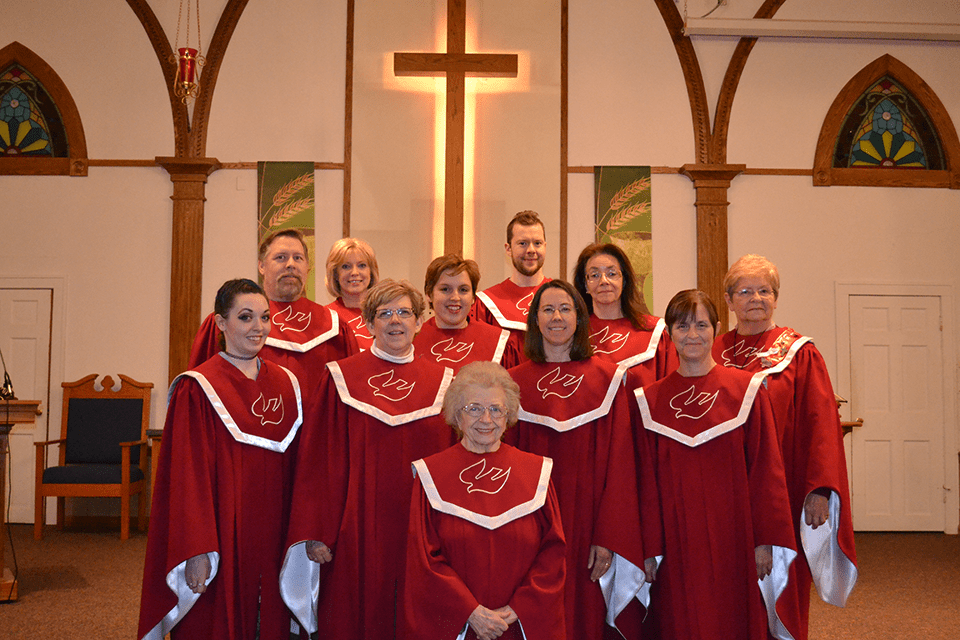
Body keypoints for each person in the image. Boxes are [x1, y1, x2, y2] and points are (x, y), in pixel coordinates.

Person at [280, 279, 457, 640]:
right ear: (369, 323)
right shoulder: (341, 380)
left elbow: (453, 465)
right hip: (355, 525)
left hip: (422, 527)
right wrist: (316, 531)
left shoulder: (444, 383)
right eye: (384, 313)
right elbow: (319, 462)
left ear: (419, 321)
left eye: (404, 312)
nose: (395, 321)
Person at [138, 279, 305, 640]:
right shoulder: (197, 388)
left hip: (275, 532)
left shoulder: (287, 384)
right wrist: (195, 549)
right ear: (221, 323)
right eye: (245, 317)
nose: (257, 327)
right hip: (221, 535)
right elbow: (187, 477)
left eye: (264, 317)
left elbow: (302, 470)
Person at [633, 289, 796, 640]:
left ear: (716, 329)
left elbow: (766, 470)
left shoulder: (746, 390)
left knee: (734, 616)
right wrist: (648, 547)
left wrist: (765, 539)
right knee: (680, 618)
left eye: (701, 325)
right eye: (682, 326)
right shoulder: (650, 401)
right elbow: (643, 482)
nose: (692, 335)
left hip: (735, 534)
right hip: (675, 537)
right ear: (669, 333)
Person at [714, 254, 858, 640]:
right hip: (724, 489)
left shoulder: (799, 353)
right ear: (729, 301)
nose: (756, 298)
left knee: (779, 577)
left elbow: (821, 422)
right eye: (745, 291)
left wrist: (819, 489)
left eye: (765, 290)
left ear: (776, 298)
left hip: (783, 486)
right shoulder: (713, 352)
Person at [507, 280, 658, 640]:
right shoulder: (513, 385)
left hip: (590, 524)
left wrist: (608, 535)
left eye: (565, 309)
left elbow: (621, 464)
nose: (557, 317)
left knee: (585, 616)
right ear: (535, 320)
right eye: (547, 310)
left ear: (579, 318)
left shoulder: (609, 379)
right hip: (531, 523)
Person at [400, 361, 566, 640]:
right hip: (458, 625)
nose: (486, 420)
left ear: (508, 415)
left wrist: (518, 609)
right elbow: (424, 560)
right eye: (474, 409)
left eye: (496, 410)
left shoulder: (537, 473)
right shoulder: (431, 475)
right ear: (456, 415)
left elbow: (552, 552)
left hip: (516, 624)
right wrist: (470, 612)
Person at [188, 228, 358, 393]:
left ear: (308, 267)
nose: (290, 264)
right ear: (261, 266)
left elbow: (351, 393)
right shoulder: (227, 322)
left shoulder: (335, 329)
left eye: (298, 258)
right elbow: (200, 391)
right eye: (280, 257)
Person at [573, 242, 676, 388]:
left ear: (624, 280)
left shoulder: (656, 333)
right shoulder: (573, 334)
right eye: (594, 275)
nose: (604, 281)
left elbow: (671, 390)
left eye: (612, 274)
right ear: (585, 285)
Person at [415, 253, 520, 373]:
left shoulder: (499, 343)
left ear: (473, 297)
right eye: (445, 289)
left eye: (463, 290)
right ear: (429, 295)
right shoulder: (412, 341)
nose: (455, 297)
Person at [473, 211, 549, 359]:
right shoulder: (485, 305)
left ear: (545, 246)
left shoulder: (562, 298)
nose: (531, 250)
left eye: (537, 243)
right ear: (508, 249)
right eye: (522, 243)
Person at [324, 236, 380, 350]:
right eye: (346, 266)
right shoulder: (325, 317)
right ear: (335, 274)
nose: (355, 272)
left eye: (362, 265)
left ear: (371, 271)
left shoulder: (385, 313)